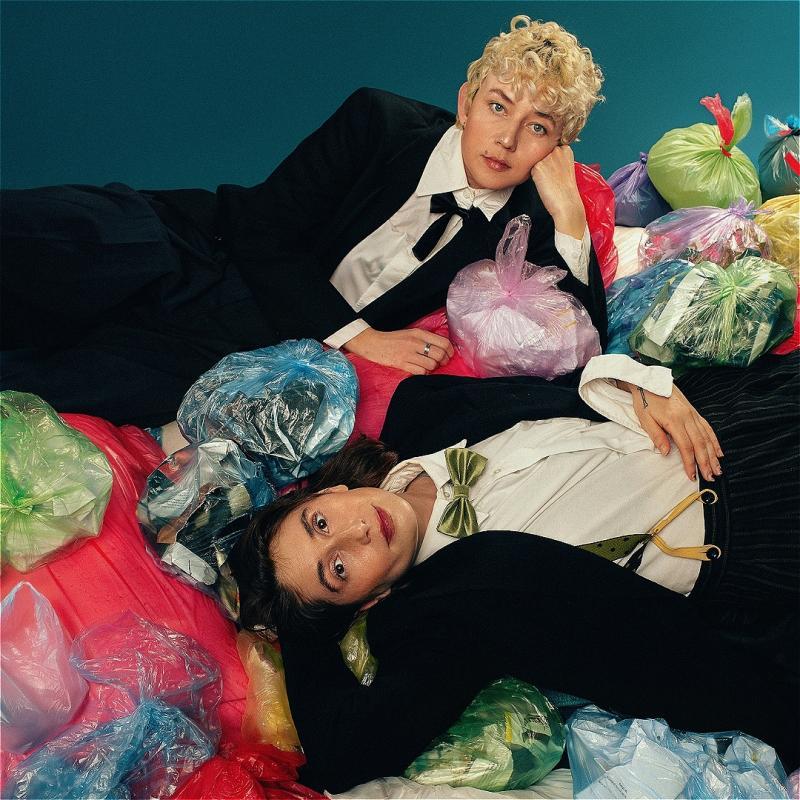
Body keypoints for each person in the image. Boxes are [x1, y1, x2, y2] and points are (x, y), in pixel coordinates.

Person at [229, 350, 799, 792]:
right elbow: (345, 753)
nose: (355, 534)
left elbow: (575, 380)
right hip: (764, 532)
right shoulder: (452, 608)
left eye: (320, 522)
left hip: (741, 409)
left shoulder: (426, 410)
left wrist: (638, 381)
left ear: (329, 491)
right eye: (337, 570)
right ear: (368, 600)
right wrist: (295, 622)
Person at [1, 16, 607, 427]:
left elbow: (578, 346)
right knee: (48, 237)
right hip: (202, 244)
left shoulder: (527, 227)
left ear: (558, 148)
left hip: (249, 344)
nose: (505, 137)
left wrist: (570, 215)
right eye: (498, 105)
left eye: (537, 127)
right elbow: (263, 231)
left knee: (69, 383)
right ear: (465, 101)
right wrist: (359, 337)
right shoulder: (380, 121)